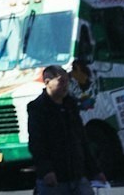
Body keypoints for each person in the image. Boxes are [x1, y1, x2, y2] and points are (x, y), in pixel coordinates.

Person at [27, 65, 106, 195]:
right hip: (55, 179)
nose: (65, 86)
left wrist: (96, 171)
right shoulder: (38, 108)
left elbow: (82, 139)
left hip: (77, 175)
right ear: (47, 83)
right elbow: (37, 144)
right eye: (61, 81)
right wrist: (46, 171)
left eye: (67, 81)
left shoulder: (70, 105)